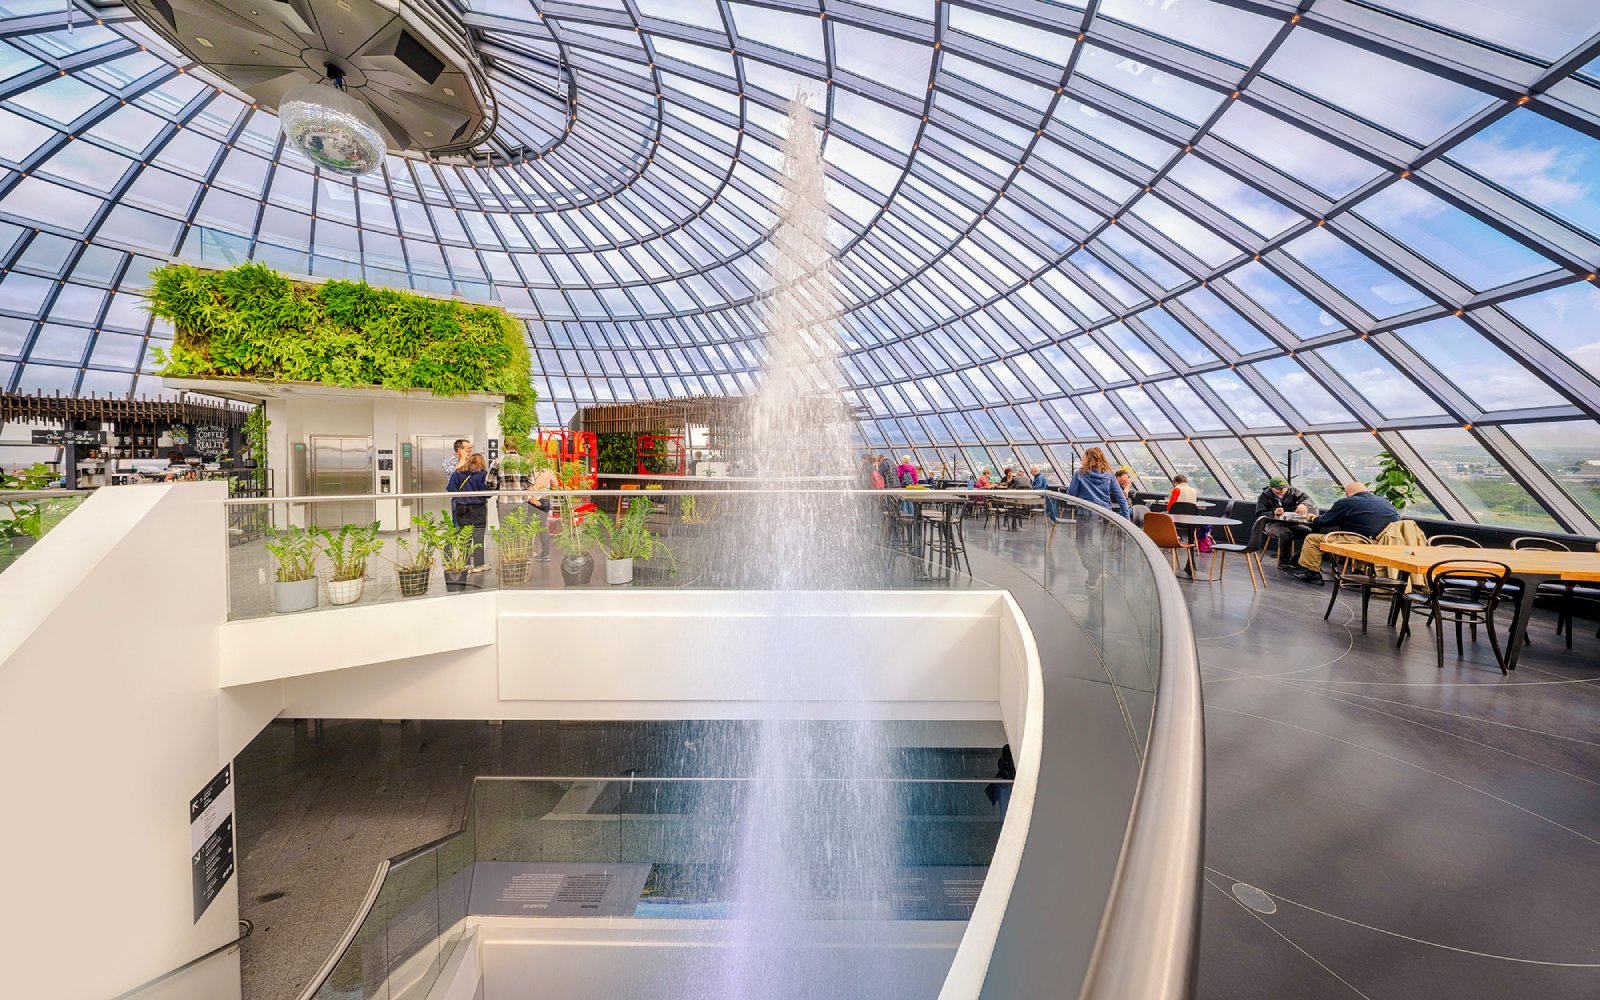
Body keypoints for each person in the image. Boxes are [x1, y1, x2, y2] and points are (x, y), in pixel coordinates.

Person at [1293, 482, 1400, 584]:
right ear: (1367, 491)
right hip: (1384, 542)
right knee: (1358, 533)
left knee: (1312, 539)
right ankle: (1359, 572)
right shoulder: (1385, 502)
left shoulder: (1346, 502)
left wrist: (1313, 518)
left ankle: (1312, 574)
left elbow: (1325, 521)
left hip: (1360, 542)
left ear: (1347, 494)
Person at [1256, 476, 1318, 568]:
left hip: (1292, 523)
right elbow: (1260, 514)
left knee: (1310, 535)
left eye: (1284, 488)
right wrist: (1273, 512)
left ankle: (1296, 560)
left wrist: (1304, 504)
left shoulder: (1292, 491)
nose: (1282, 490)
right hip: (1272, 524)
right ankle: (1284, 562)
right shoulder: (1264, 497)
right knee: (1285, 534)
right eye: (1279, 489)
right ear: (1271, 488)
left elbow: (1308, 499)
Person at [448, 453, 491, 572]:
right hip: (478, 508)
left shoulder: (457, 473)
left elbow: (451, 489)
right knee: (478, 536)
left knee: (464, 537)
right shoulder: (483, 474)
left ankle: (465, 563)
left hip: (462, 507)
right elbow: (487, 493)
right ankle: (478, 564)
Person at [1066, 447, 1131, 518]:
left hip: (1085, 513)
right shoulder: (1110, 476)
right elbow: (1121, 499)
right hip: (1105, 514)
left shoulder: (1079, 474)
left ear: (1086, 459)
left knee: (1084, 529)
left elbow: (1071, 495)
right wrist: (1127, 519)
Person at [528, 458, 560, 561]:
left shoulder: (530, 470)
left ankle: (528, 553)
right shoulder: (548, 470)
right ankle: (545, 554)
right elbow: (556, 484)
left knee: (529, 528)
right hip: (544, 500)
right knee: (543, 528)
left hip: (532, 500)